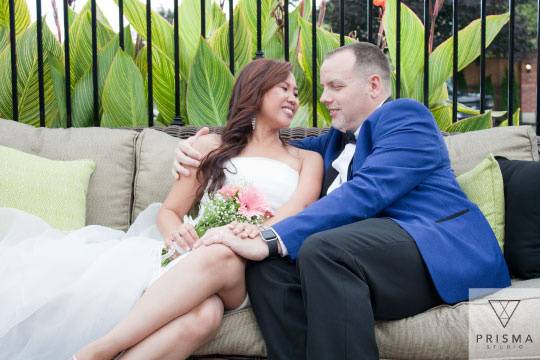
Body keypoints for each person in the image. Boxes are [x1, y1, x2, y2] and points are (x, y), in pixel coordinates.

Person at [172, 42, 511, 359]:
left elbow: (368, 191)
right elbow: (266, 151)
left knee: (323, 250)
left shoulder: (406, 117)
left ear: (373, 85)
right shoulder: (333, 141)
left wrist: (270, 237)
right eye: (323, 88)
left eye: (335, 87)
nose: (323, 98)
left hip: (433, 250)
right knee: (268, 270)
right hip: (366, 260)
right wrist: (207, 145)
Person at [0, 59, 323, 360]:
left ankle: (98, 350)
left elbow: (301, 207)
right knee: (205, 316)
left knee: (222, 251)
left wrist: (254, 233)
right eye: (284, 88)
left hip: (252, 266)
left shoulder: (306, 159)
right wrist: (178, 236)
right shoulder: (211, 146)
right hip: (194, 256)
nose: (293, 98)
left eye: (295, 92)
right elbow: (169, 211)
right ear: (255, 90)